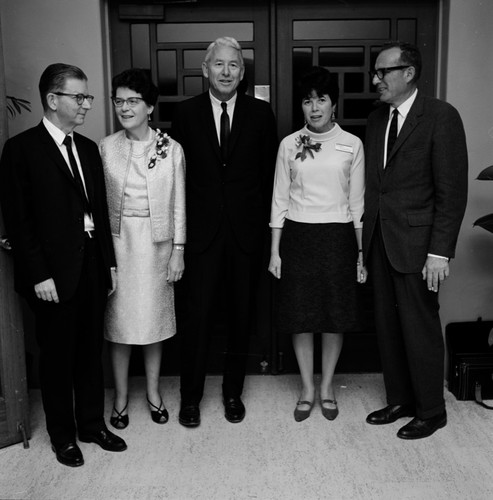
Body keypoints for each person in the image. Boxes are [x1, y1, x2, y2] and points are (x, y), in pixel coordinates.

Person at [0, 63, 127, 467]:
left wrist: (108, 264)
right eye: (80, 96)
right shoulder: (21, 150)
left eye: (88, 97)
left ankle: (91, 425)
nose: (87, 104)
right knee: (57, 358)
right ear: (53, 100)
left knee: (91, 352)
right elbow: (19, 221)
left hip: (91, 266)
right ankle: (63, 437)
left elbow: (100, 214)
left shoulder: (88, 148)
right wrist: (39, 274)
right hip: (51, 275)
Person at [362, 42, 468, 439]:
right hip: (381, 241)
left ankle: (431, 410)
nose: (376, 80)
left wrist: (439, 251)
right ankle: (400, 400)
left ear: (408, 73)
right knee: (387, 327)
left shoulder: (441, 116)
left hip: (421, 247)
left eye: (383, 72)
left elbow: (451, 191)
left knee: (419, 327)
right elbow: (378, 186)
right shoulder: (376, 120)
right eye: (376, 73)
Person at [171, 36, 278, 427]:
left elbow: (268, 178)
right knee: (196, 320)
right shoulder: (184, 115)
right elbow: (177, 179)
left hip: (245, 237)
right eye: (219, 64)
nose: (227, 71)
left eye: (234, 65)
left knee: (240, 318)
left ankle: (233, 393)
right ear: (205, 69)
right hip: (200, 238)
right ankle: (190, 398)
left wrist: (266, 236)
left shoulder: (261, 115)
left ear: (242, 72)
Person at [269, 66, 367, 422]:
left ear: (333, 104)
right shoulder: (289, 144)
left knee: (334, 317)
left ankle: (327, 386)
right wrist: (274, 251)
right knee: (301, 316)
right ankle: (307, 388)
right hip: (298, 235)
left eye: (321, 99)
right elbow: (279, 199)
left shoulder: (352, 144)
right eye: (308, 100)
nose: (314, 107)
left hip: (338, 236)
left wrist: (360, 253)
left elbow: (358, 204)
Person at [99, 69, 186, 429]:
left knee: (153, 322)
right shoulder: (106, 147)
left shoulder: (171, 148)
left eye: (133, 101)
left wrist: (178, 249)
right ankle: (120, 397)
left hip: (157, 244)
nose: (124, 107)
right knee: (119, 324)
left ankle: (153, 392)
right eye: (119, 101)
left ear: (149, 106)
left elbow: (180, 202)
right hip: (119, 244)